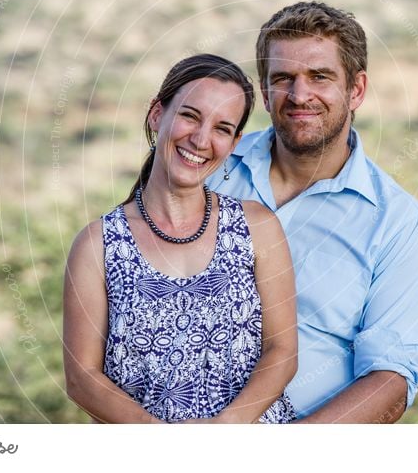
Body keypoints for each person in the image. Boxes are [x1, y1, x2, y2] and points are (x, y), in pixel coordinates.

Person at [208, 2, 418, 423]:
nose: (299, 96)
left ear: (357, 90)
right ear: (263, 91)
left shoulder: (397, 223)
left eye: (320, 77)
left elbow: (391, 377)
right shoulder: (211, 168)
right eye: (283, 79)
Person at [63, 54, 298, 423]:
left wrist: (225, 430)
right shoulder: (98, 245)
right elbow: (82, 378)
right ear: (158, 114)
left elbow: (282, 351)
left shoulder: (257, 226)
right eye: (190, 115)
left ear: (234, 142)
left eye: (222, 128)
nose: (201, 139)